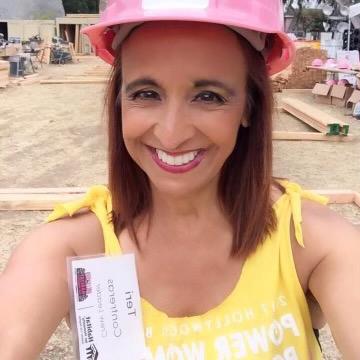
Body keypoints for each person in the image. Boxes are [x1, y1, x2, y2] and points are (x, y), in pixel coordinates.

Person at [1, 1, 359, 359]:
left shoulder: (311, 243)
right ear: (119, 102)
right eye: (146, 94)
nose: (172, 134)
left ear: (249, 107)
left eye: (208, 97)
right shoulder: (71, 249)